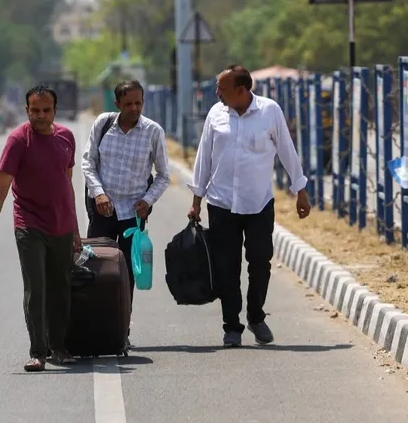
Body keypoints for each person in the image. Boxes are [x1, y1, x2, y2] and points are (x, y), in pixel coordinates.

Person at [186, 65, 311, 348]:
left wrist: (300, 190)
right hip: (222, 204)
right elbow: (204, 157)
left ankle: (256, 316)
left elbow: (287, 150)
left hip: (258, 203)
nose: (217, 93)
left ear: (241, 91)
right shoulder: (216, 114)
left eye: (222, 89)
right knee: (226, 267)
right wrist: (196, 200)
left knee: (260, 261)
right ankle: (232, 326)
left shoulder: (270, 111)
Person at [0, 85, 81, 372]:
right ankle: (38, 351)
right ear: (27, 110)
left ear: (55, 111)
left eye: (46, 110)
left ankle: (59, 346)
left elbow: (67, 184)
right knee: (36, 287)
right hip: (29, 223)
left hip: (61, 224)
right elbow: (0, 188)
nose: (40, 116)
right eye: (35, 110)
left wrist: (74, 228)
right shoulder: (17, 141)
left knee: (60, 287)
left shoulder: (66, 138)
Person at [80, 80, 170, 350]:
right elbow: (88, 162)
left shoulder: (153, 131)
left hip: (134, 215)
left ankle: (121, 330)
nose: (134, 108)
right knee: (95, 268)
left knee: (126, 273)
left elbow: (163, 176)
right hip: (103, 210)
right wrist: (99, 194)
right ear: (117, 103)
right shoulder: (103, 124)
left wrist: (148, 200)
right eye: (128, 103)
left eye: (138, 103)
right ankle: (94, 328)